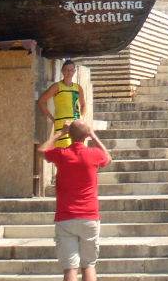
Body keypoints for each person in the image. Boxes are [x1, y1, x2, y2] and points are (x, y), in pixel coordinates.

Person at [38, 119, 111, 281]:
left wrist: (60, 133)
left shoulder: (62, 154)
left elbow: (41, 150)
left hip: (66, 217)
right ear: (86, 136)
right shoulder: (94, 154)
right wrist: (93, 134)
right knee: (89, 265)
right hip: (89, 216)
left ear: (70, 135)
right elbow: (108, 157)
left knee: (70, 269)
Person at [38, 60, 87, 148]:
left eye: (71, 70)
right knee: (63, 152)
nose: (69, 72)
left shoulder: (78, 88)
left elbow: (83, 105)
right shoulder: (57, 86)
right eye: (67, 70)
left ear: (74, 71)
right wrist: (52, 118)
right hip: (62, 125)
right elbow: (41, 101)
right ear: (62, 71)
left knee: (78, 151)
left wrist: (81, 119)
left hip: (76, 125)